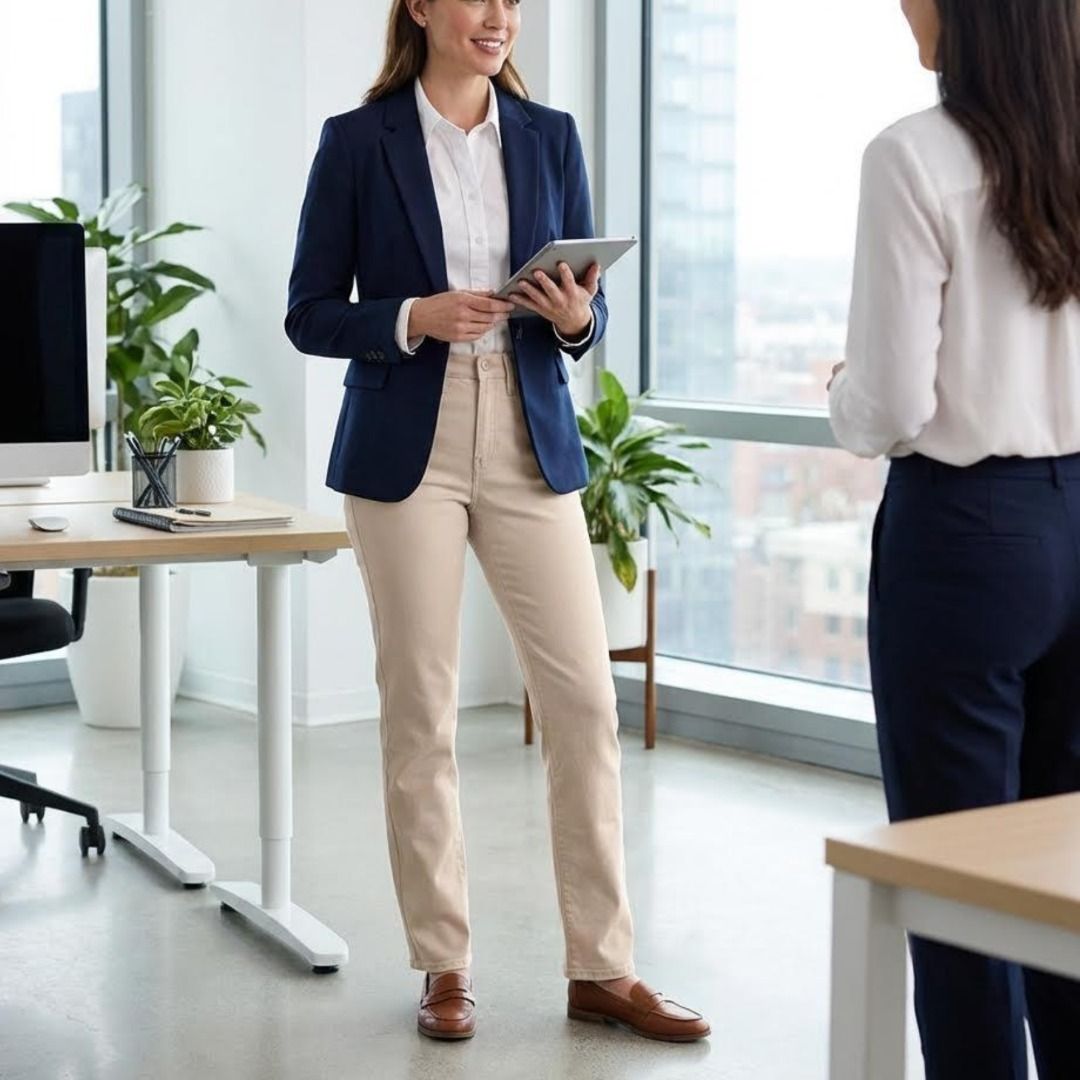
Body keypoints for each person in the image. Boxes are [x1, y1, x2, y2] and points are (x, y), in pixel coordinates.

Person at [285, 0, 709, 1045]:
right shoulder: (357, 141)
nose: (498, 15)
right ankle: (443, 964)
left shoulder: (551, 135)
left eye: (514, 0)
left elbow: (585, 311)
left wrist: (577, 319)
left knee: (582, 702)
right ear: (422, 7)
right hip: (406, 445)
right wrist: (408, 317)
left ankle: (602, 969)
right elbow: (306, 309)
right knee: (420, 709)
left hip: (530, 436)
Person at [829, 1, 1080, 1076]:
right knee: (1059, 869)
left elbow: (890, 403)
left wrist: (842, 396)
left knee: (956, 882)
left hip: (969, 535)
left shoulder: (914, 156)